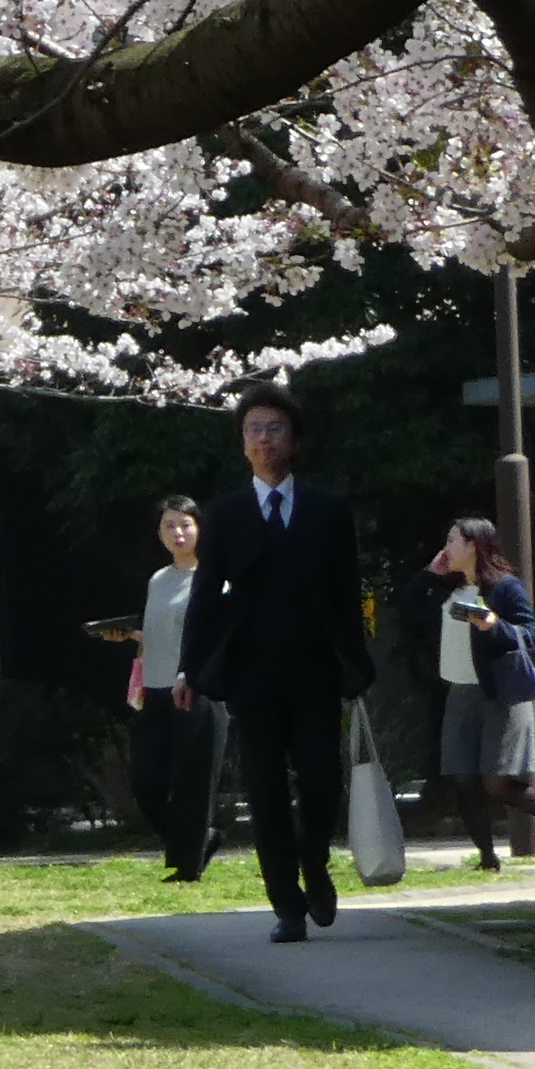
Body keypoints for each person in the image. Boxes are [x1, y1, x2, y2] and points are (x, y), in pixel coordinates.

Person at [174, 383, 375, 946]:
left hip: (314, 671)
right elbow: (205, 598)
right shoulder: (226, 514)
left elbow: (345, 594)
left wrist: (355, 668)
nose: (263, 440)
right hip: (250, 675)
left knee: (320, 784)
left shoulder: (329, 511)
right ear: (242, 444)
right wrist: (189, 669)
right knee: (263, 792)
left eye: (275, 429)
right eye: (253, 431)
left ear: (295, 440)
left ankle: (314, 861)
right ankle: (286, 905)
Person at [429, 518, 535, 867]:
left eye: (452, 541)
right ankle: (486, 857)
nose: (446, 548)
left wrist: (493, 625)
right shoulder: (446, 589)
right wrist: (428, 573)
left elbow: (529, 634)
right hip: (460, 692)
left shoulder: (505, 588)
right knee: (463, 779)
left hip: (500, 690)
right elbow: (409, 609)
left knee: (497, 781)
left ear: (473, 546)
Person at [122, 495, 222, 884]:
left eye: (185, 524)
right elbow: (159, 633)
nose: (178, 533)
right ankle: (199, 841)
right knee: (146, 779)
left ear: (199, 528)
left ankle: (187, 866)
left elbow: (218, 634)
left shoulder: (216, 576)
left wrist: (195, 673)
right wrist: (128, 634)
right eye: (169, 525)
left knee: (193, 782)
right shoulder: (158, 580)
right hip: (157, 687)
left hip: (200, 688)